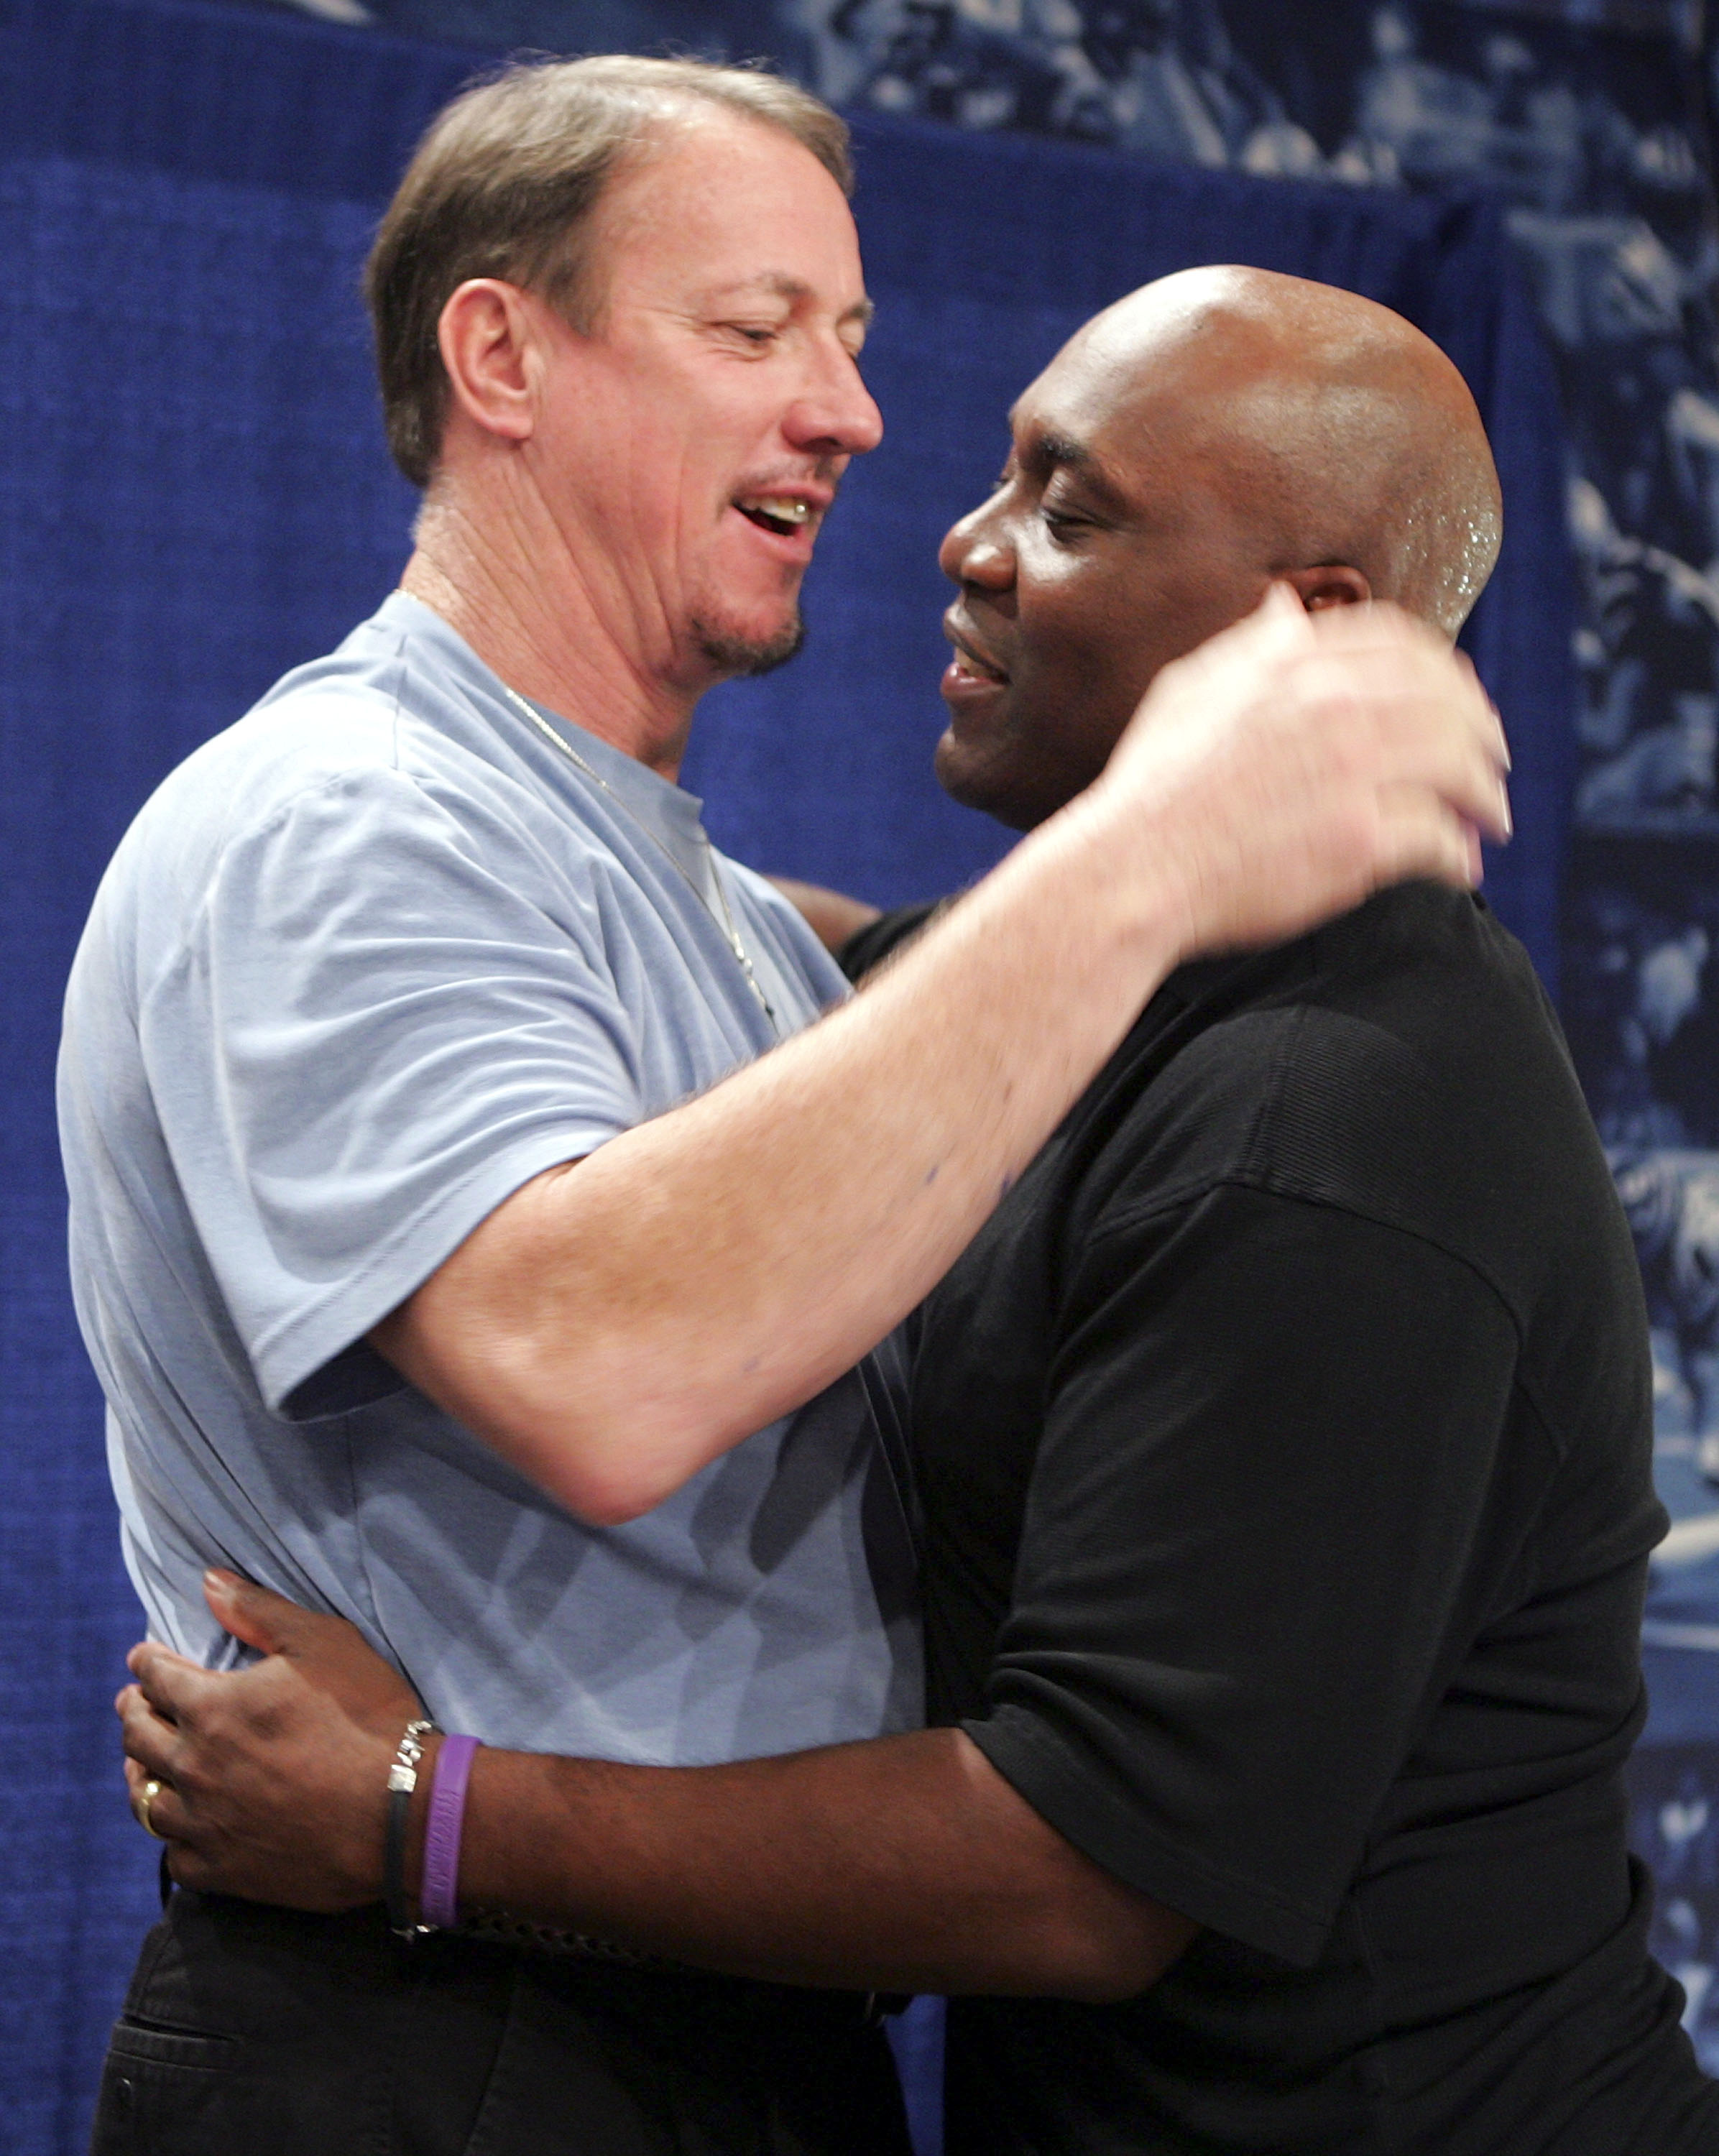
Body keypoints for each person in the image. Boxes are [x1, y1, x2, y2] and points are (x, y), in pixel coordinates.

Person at [63, 56, 1506, 2156]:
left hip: (679, 2027)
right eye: (754, 332)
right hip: (453, 2040)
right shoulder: (347, 820)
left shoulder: (709, 912)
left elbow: (910, 1026)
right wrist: (1162, 835)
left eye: (849, 338)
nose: (852, 414)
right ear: (502, 358)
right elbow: (598, 1361)